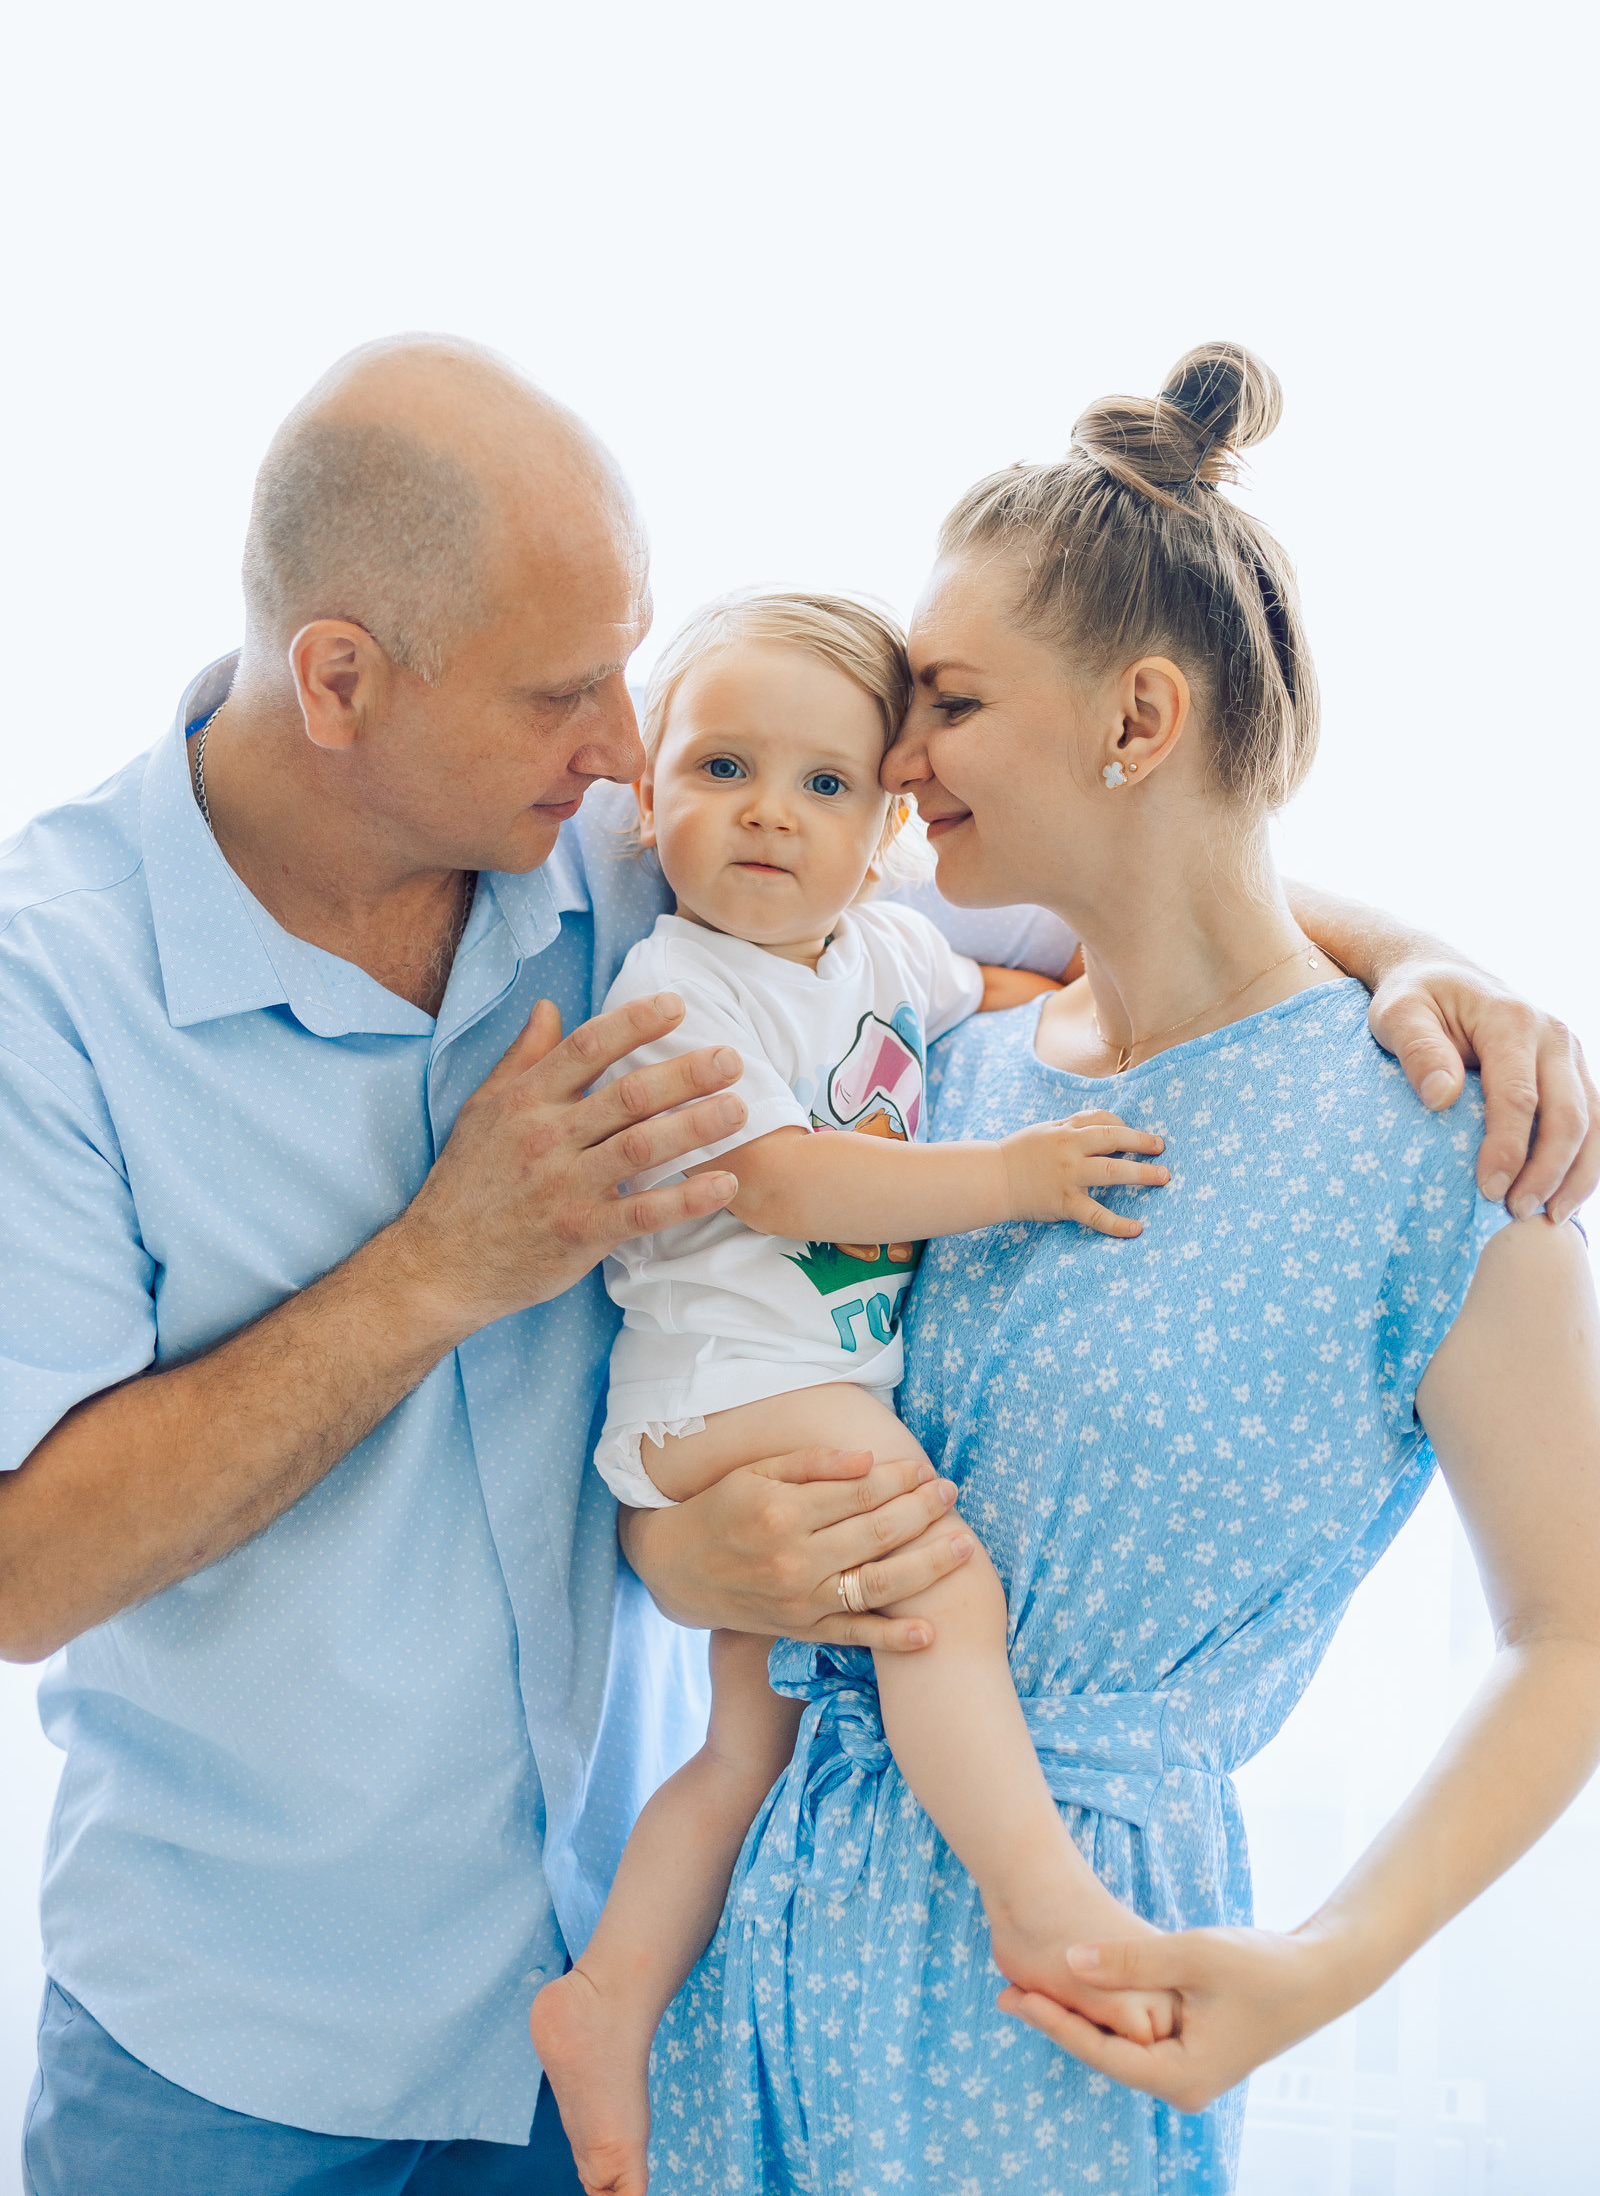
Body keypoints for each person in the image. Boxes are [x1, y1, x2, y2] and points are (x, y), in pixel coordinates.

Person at [0, 335, 1589, 2194]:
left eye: (632, 675)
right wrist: (444, 1267)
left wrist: (1433, 969)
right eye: (566, 694)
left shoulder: (642, 857)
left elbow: (1110, 882)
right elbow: (25, 1574)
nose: (623, 743)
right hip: (245, 2051)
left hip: (652, 1980)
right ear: (342, 679)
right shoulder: (58, 993)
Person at [636, 344, 1600, 2194]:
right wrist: (675, 1554)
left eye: (951, 703)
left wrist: (1328, 1966)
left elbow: (1569, 1634)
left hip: (1061, 2005)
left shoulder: (1440, 1142)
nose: (895, 765)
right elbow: (736, 1369)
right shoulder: (936, 1069)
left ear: (1136, 723)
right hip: (756, 1965)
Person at [531, 589, 1176, 2195]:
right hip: (725, 1385)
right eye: (722, 767)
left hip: (787, 1384)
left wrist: (1119, 1023)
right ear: (648, 794)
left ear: (889, 822)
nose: (768, 812)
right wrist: (1015, 1173)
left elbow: (1029, 990)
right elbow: (778, 1184)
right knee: (933, 1578)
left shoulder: (888, 945)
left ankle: (607, 2001)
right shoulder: (674, 983)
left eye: (824, 785)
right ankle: (1037, 1891)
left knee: (744, 1747)